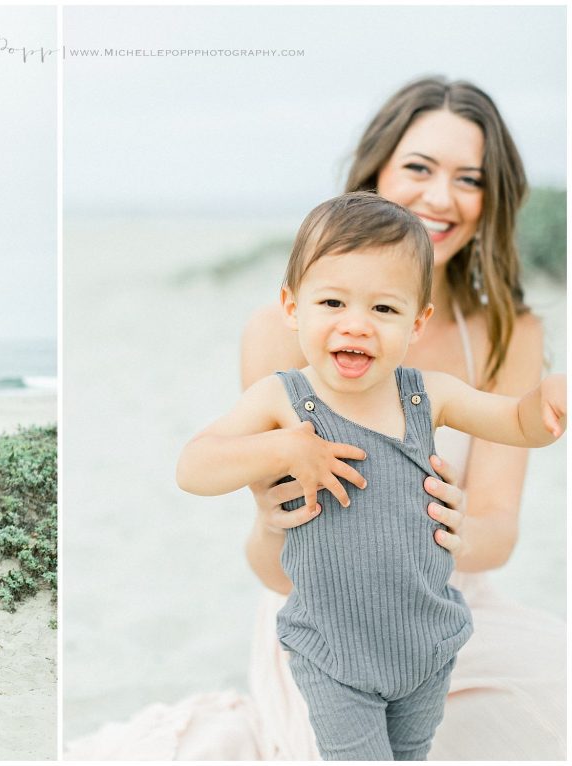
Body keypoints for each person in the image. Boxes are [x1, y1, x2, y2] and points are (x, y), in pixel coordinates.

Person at [65, 77, 566, 760]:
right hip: (328, 611)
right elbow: (271, 560)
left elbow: (504, 496)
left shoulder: (507, 334)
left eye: (469, 179)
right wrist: (276, 508)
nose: (441, 198)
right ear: (376, 173)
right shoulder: (288, 343)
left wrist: (446, 529)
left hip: (443, 608)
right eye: (418, 167)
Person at [176, 191, 565, 760]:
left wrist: (545, 400)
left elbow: (513, 421)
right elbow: (194, 467)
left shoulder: (427, 395)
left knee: (410, 755)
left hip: (425, 642)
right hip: (333, 650)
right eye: (333, 303)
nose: (357, 326)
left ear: (417, 321)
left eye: (384, 310)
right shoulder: (283, 400)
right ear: (292, 307)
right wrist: (284, 447)